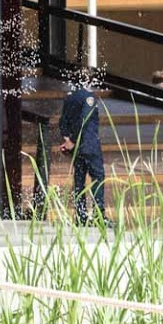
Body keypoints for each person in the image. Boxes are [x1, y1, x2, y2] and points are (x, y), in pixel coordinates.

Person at [58, 79, 109, 225]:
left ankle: (80, 216)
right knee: (98, 177)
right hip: (89, 144)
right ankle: (99, 216)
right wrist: (73, 140)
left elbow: (63, 122)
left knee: (79, 180)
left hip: (77, 148)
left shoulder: (69, 97)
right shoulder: (88, 96)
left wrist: (67, 139)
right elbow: (84, 119)